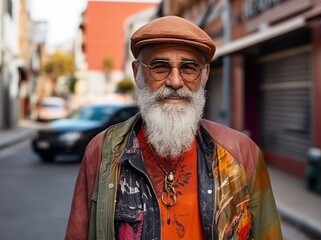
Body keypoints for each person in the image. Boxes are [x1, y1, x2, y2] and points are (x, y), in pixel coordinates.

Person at [65, 15, 283, 240]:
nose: (176, 81)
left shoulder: (241, 152)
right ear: (136, 72)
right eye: (160, 67)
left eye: (189, 68)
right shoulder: (103, 151)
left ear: (205, 74)